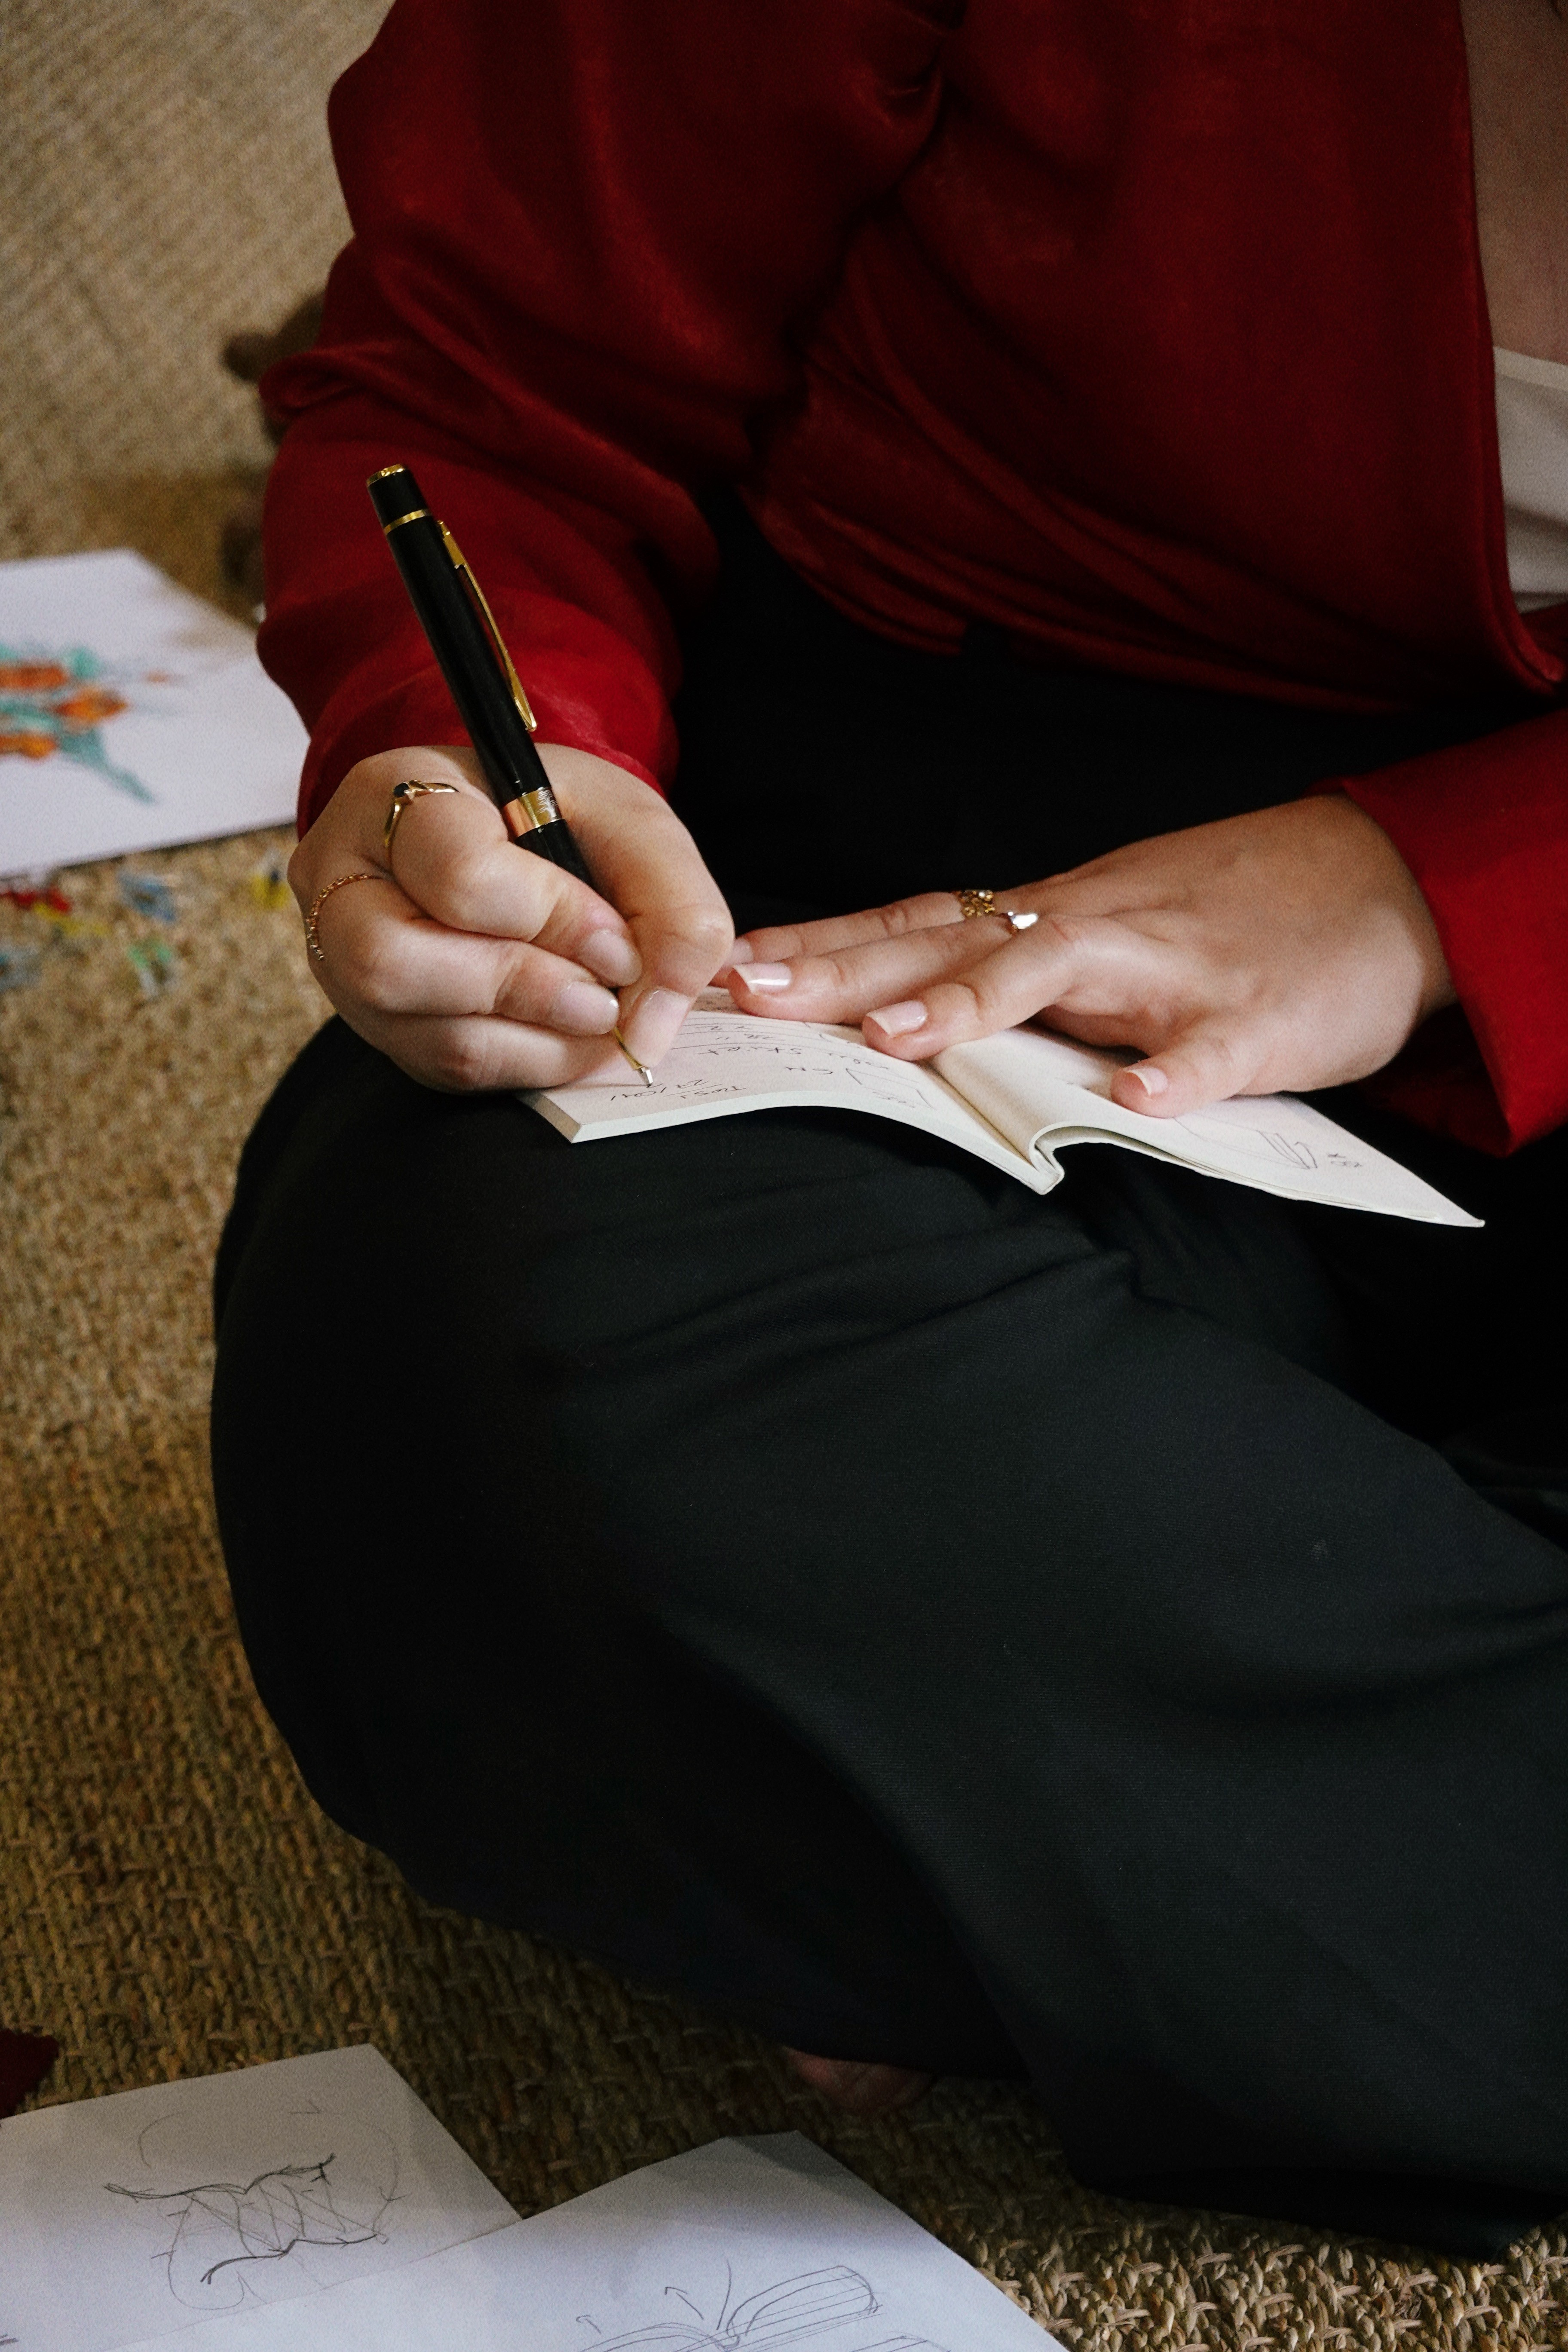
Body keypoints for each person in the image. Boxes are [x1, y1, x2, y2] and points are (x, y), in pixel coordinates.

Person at [210, 0, 1568, 2255]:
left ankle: (1027, 1862)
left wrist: (1445, 889)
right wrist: (470, 745)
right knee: (489, 1388)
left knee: (772, 1679)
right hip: (910, 888)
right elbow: (500, 375)